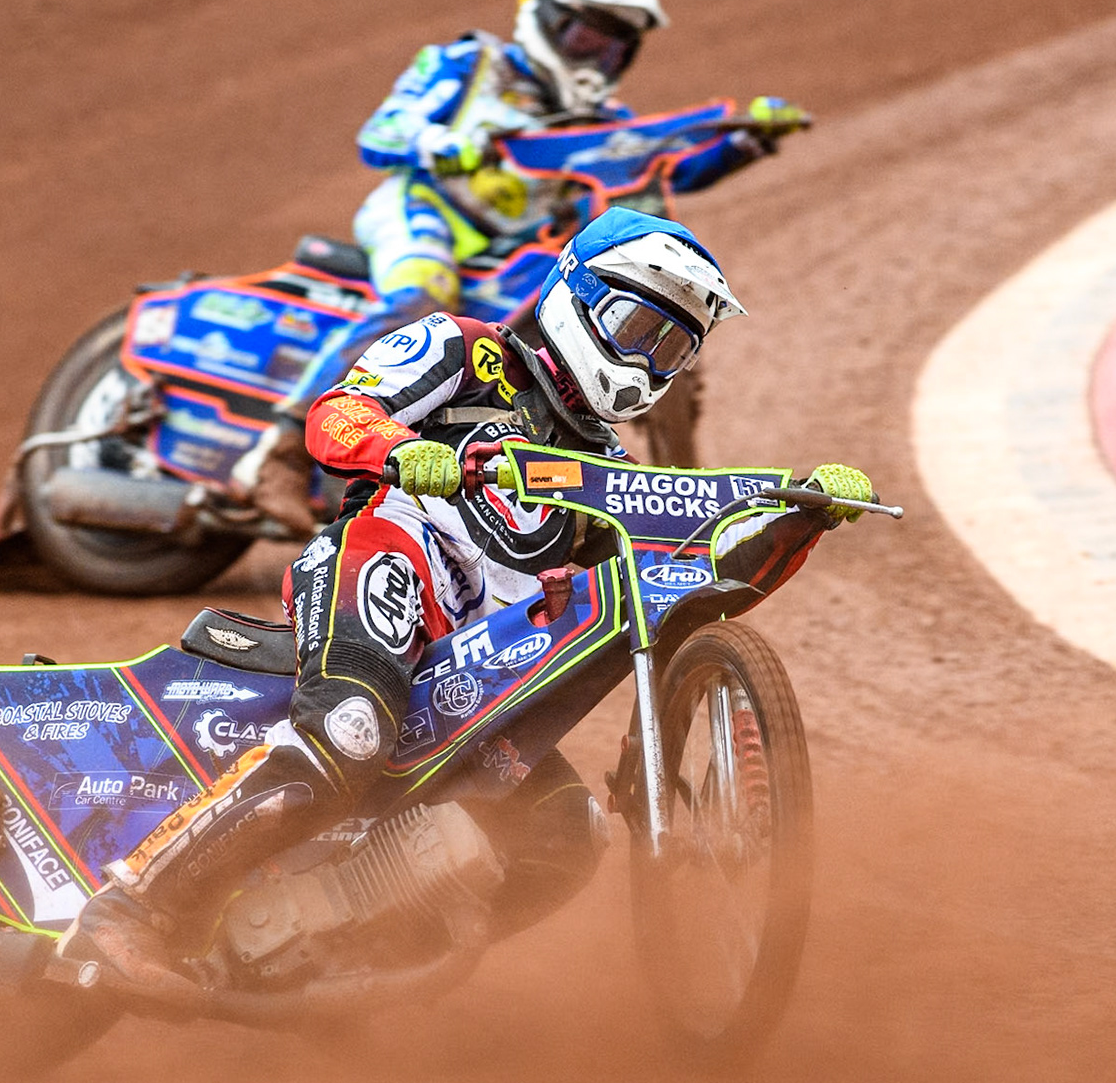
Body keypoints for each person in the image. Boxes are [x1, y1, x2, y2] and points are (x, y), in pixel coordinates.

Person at [60, 206, 874, 987]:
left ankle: (336, 961)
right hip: (387, 559)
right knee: (350, 730)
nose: (647, 360)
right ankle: (127, 910)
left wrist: (799, 519)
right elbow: (338, 412)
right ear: (577, 296)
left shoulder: (614, 471)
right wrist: (401, 449)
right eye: (637, 329)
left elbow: (694, 579)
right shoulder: (465, 347)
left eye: (671, 348)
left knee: (562, 839)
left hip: (473, 669)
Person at [231, 0, 812, 531]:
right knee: (420, 297)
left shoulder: (605, 120)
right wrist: (441, 144)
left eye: (615, 47)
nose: (598, 56)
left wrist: (745, 142)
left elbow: (662, 170)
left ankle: (680, 503)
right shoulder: (469, 64)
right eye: (588, 37)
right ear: (545, 18)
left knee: (618, 323)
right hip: (428, 212)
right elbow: (382, 131)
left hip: (517, 250)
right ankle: (279, 452)